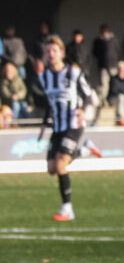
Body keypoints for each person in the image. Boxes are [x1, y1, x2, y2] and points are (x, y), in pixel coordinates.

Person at [37, 35, 96, 221]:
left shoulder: (73, 73)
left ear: (61, 53)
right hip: (57, 126)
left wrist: (83, 110)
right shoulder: (44, 77)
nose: (51, 54)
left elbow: (88, 94)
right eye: (48, 51)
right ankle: (85, 150)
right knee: (51, 168)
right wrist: (44, 123)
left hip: (73, 124)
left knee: (61, 164)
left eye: (54, 51)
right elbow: (49, 102)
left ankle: (67, 209)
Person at [91, 24, 119, 105]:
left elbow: (118, 50)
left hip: (113, 64)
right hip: (103, 65)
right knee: (103, 83)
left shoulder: (114, 39)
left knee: (114, 83)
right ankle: (104, 100)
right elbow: (95, 52)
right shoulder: (98, 41)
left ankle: (113, 99)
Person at [0, 61, 28, 125]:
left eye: (10, 71)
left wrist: (18, 96)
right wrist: (12, 96)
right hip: (8, 101)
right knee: (15, 105)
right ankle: (14, 123)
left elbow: (23, 90)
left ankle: (26, 122)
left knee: (24, 105)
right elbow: (4, 92)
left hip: (19, 99)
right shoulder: (3, 81)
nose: (8, 72)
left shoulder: (18, 79)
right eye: (7, 71)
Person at [109, 60, 124, 126]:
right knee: (121, 97)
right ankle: (119, 119)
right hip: (113, 98)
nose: (121, 71)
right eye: (120, 69)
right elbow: (114, 90)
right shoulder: (114, 79)